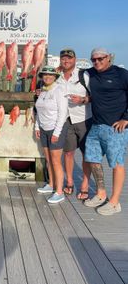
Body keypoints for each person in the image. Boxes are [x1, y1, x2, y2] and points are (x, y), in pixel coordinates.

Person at [83, 48, 128, 215]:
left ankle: (115, 202)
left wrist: (126, 118)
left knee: (117, 164)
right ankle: (101, 193)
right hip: (96, 126)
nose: (97, 62)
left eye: (100, 59)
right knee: (92, 159)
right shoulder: (92, 73)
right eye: (93, 59)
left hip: (115, 128)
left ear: (108, 58)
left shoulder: (122, 74)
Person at [57, 48, 92, 200]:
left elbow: (95, 96)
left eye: (69, 58)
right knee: (68, 153)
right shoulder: (56, 76)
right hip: (65, 119)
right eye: (64, 58)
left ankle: (84, 184)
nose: (66, 61)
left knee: (86, 154)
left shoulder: (84, 76)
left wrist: (83, 100)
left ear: (75, 60)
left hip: (84, 118)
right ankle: (70, 181)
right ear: (60, 60)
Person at [35, 66, 68, 204]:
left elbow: (63, 113)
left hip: (56, 129)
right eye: (45, 75)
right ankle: (51, 184)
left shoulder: (59, 90)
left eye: (50, 75)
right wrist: (37, 126)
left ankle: (59, 192)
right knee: (48, 159)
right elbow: (38, 110)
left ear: (55, 77)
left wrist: (56, 132)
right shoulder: (42, 91)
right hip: (44, 128)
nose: (47, 77)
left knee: (56, 161)